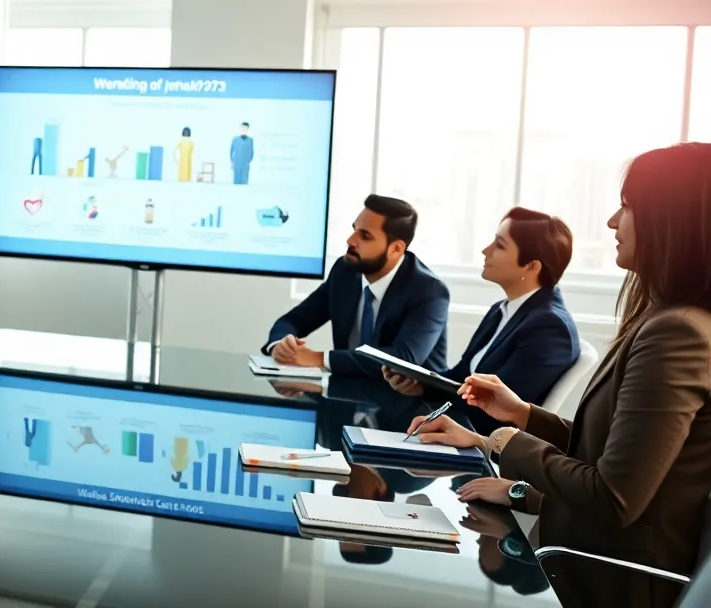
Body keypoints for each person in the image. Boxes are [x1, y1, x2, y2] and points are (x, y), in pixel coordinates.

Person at [409, 143, 711, 608]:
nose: (612, 221)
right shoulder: (667, 318)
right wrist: (525, 415)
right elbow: (615, 451)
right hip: (589, 554)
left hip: (614, 578)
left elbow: (614, 497)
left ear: (672, 220)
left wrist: (502, 441)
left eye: (627, 207)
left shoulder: (678, 332)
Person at [384, 208, 581, 432]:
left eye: (499, 245)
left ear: (532, 266)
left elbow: (495, 409)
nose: (485, 251)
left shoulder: (549, 328)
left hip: (482, 445)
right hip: (460, 426)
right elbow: (461, 377)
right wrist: (418, 385)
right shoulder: (503, 309)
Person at [263, 195, 450, 378]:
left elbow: (404, 359)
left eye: (365, 236)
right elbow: (295, 319)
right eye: (354, 229)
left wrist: (319, 358)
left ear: (396, 249)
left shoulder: (430, 292)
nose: (351, 241)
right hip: (348, 394)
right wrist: (280, 345)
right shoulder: (345, 271)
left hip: (414, 404)